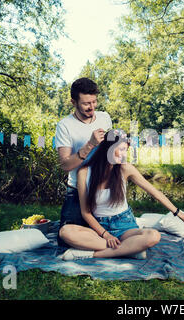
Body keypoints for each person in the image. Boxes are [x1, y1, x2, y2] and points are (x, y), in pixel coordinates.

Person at [58, 129, 184, 260]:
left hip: (125, 225)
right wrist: (106, 235)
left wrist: (179, 214)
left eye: (126, 150)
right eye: (120, 150)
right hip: (99, 228)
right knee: (65, 232)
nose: (124, 155)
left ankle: (93, 253)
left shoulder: (125, 169)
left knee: (153, 236)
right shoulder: (84, 172)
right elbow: (86, 213)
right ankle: (130, 249)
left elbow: (155, 192)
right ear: (108, 148)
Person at [54, 77, 112, 248]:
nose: (92, 107)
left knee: (115, 232)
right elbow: (65, 165)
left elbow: (110, 152)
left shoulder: (104, 117)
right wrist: (90, 145)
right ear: (74, 102)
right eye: (86, 103)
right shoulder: (65, 125)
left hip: (103, 188)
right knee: (65, 241)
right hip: (77, 191)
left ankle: (105, 244)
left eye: (94, 102)